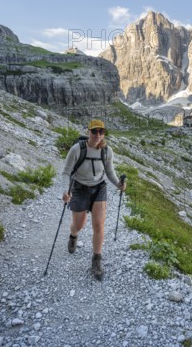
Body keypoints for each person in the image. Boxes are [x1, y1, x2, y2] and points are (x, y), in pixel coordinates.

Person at [62, 119, 126, 280]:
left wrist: (118, 184)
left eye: (102, 132)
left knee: (98, 224)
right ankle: (73, 235)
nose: (98, 135)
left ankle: (96, 260)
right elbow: (66, 172)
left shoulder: (107, 151)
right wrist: (65, 191)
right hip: (79, 188)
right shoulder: (77, 149)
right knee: (79, 224)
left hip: (99, 188)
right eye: (95, 131)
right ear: (88, 132)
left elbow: (110, 171)